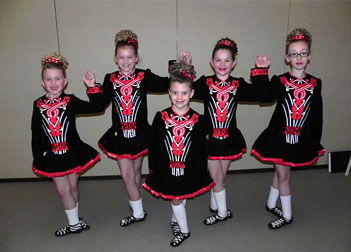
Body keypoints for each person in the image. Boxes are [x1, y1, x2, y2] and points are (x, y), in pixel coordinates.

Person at [184, 38, 270, 225]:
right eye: (218, 60)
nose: (222, 64)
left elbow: (263, 95)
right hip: (210, 138)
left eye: (227, 60)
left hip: (230, 138)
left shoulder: (237, 85)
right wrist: (186, 68)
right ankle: (222, 212)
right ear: (211, 62)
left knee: (220, 176)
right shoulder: (205, 83)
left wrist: (261, 72)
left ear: (234, 64)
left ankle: (216, 205)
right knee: (215, 176)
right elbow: (183, 89)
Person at [251, 28, 325, 229]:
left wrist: (314, 141)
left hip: (300, 138)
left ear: (309, 57)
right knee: (283, 175)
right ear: (287, 58)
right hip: (279, 138)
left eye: (303, 53)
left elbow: (316, 114)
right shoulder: (280, 81)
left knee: (280, 172)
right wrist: (261, 71)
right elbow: (264, 97)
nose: (298, 57)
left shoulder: (315, 83)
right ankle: (287, 215)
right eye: (294, 54)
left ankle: (270, 203)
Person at [94, 30, 170, 226]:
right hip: (120, 136)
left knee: (136, 170)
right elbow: (100, 104)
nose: (125, 61)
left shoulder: (143, 76)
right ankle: (138, 212)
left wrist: (179, 65)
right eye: (121, 57)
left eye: (129, 57)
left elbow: (166, 84)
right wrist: (91, 87)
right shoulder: (110, 79)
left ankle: (134, 200)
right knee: (127, 174)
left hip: (140, 133)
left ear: (136, 58)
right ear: (115, 59)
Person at [143, 62, 215, 247]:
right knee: (175, 197)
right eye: (175, 92)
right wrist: (153, 168)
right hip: (166, 167)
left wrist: (200, 171)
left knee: (179, 196)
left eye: (184, 93)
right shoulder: (160, 117)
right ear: (169, 93)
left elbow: (201, 149)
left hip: (189, 168)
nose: (179, 97)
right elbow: (155, 145)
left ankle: (181, 227)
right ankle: (182, 227)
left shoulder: (199, 120)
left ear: (191, 94)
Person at [31, 52, 102, 236]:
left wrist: (91, 87)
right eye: (48, 79)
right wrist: (38, 157)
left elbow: (96, 107)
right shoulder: (38, 105)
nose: (53, 83)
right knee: (63, 191)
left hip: (73, 153)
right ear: (42, 82)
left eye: (57, 79)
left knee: (72, 188)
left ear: (65, 81)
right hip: (53, 156)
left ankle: (75, 219)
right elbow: (36, 133)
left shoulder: (70, 101)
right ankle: (74, 225)